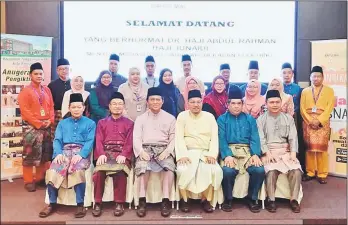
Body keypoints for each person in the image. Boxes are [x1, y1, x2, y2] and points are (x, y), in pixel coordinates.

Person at [39, 93, 96, 218]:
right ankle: (51, 204)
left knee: (77, 170)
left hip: (80, 153)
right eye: (73, 107)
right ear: (69, 108)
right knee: (53, 170)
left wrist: (81, 154)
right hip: (64, 152)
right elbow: (57, 140)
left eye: (78, 107)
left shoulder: (90, 123)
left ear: (83, 108)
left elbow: (89, 141)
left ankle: (80, 204)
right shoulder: (62, 123)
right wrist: (58, 153)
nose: (76, 109)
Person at [217, 88, 264, 213]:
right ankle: (228, 199)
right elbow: (221, 139)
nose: (236, 106)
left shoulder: (250, 119)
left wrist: (255, 154)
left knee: (259, 170)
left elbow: (255, 138)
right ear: (228, 104)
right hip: (230, 150)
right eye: (233, 103)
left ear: (242, 104)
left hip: (247, 151)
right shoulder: (222, 119)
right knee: (227, 171)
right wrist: (227, 155)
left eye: (239, 103)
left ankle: (252, 198)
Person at [175, 90, 223, 213]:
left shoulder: (209, 116)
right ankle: (185, 199)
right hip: (188, 152)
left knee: (213, 170)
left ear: (202, 102)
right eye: (192, 102)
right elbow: (178, 138)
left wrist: (212, 154)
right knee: (182, 170)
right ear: (188, 103)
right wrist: (182, 155)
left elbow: (214, 138)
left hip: (205, 153)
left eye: (198, 102)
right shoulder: (182, 116)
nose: (196, 105)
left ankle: (206, 199)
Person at [133, 87, 176, 217]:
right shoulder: (140, 118)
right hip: (145, 148)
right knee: (143, 167)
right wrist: (140, 152)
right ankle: (142, 201)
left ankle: (165, 201)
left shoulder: (170, 118)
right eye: (152, 99)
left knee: (168, 168)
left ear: (162, 101)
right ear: (147, 101)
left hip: (163, 149)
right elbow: (136, 138)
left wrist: (168, 151)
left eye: (158, 99)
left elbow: (173, 138)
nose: (155, 102)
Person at [257, 90, 303, 213]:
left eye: (277, 102)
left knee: (296, 171)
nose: (275, 104)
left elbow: (293, 137)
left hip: (286, 151)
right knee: (271, 171)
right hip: (269, 151)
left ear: (281, 102)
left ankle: (294, 200)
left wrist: (293, 153)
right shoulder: (260, 120)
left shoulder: (288, 118)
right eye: (271, 102)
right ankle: (271, 200)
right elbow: (261, 139)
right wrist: (267, 153)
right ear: (266, 104)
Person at [92, 92, 134, 217]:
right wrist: (100, 154)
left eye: (120, 104)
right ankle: (98, 202)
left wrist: (124, 154)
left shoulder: (129, 123)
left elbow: (130, 142)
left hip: (121, 153)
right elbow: (98, 139)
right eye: (114, 104)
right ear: (109, 106)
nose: (117, 106)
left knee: (120, 171)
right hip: (105, 153)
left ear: (124, 106)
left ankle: (119, 203)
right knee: (99, 172)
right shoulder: (102, 122)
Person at [18, 62, 54, 192]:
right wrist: (38, 123)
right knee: (30, 154)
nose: (39, 76)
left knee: (44, 154)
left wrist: (50, 119)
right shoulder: (25, 91)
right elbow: (25, 111)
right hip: (31, 127)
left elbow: (51, 107)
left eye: (40, 73)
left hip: (47, 126)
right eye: (36, 74)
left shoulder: (47, 90)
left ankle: (39, 179)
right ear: (30, 75)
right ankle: (28, 181)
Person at [300, 66, 335, 184]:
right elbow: (302, 109)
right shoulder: (305, 91)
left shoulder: (329, 91)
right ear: (310, 77)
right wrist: (310, 120)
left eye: (318, 76)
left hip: (322, 123)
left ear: (323, 77)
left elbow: (329, 108)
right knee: (309, 148)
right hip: (308, 122)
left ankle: (322, 173)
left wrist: (319, 120)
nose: (316, 78)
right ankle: (310, 172)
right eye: (314, 76)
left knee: (321, 148)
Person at [48, 58, 71, 140]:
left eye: (66, 68)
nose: (64, 71)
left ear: (69, 69)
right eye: (61, 69)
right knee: (57, 138)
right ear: (57, 71)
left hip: (72, 114)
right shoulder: (52, 85)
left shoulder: (74, 83)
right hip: (57, 114)